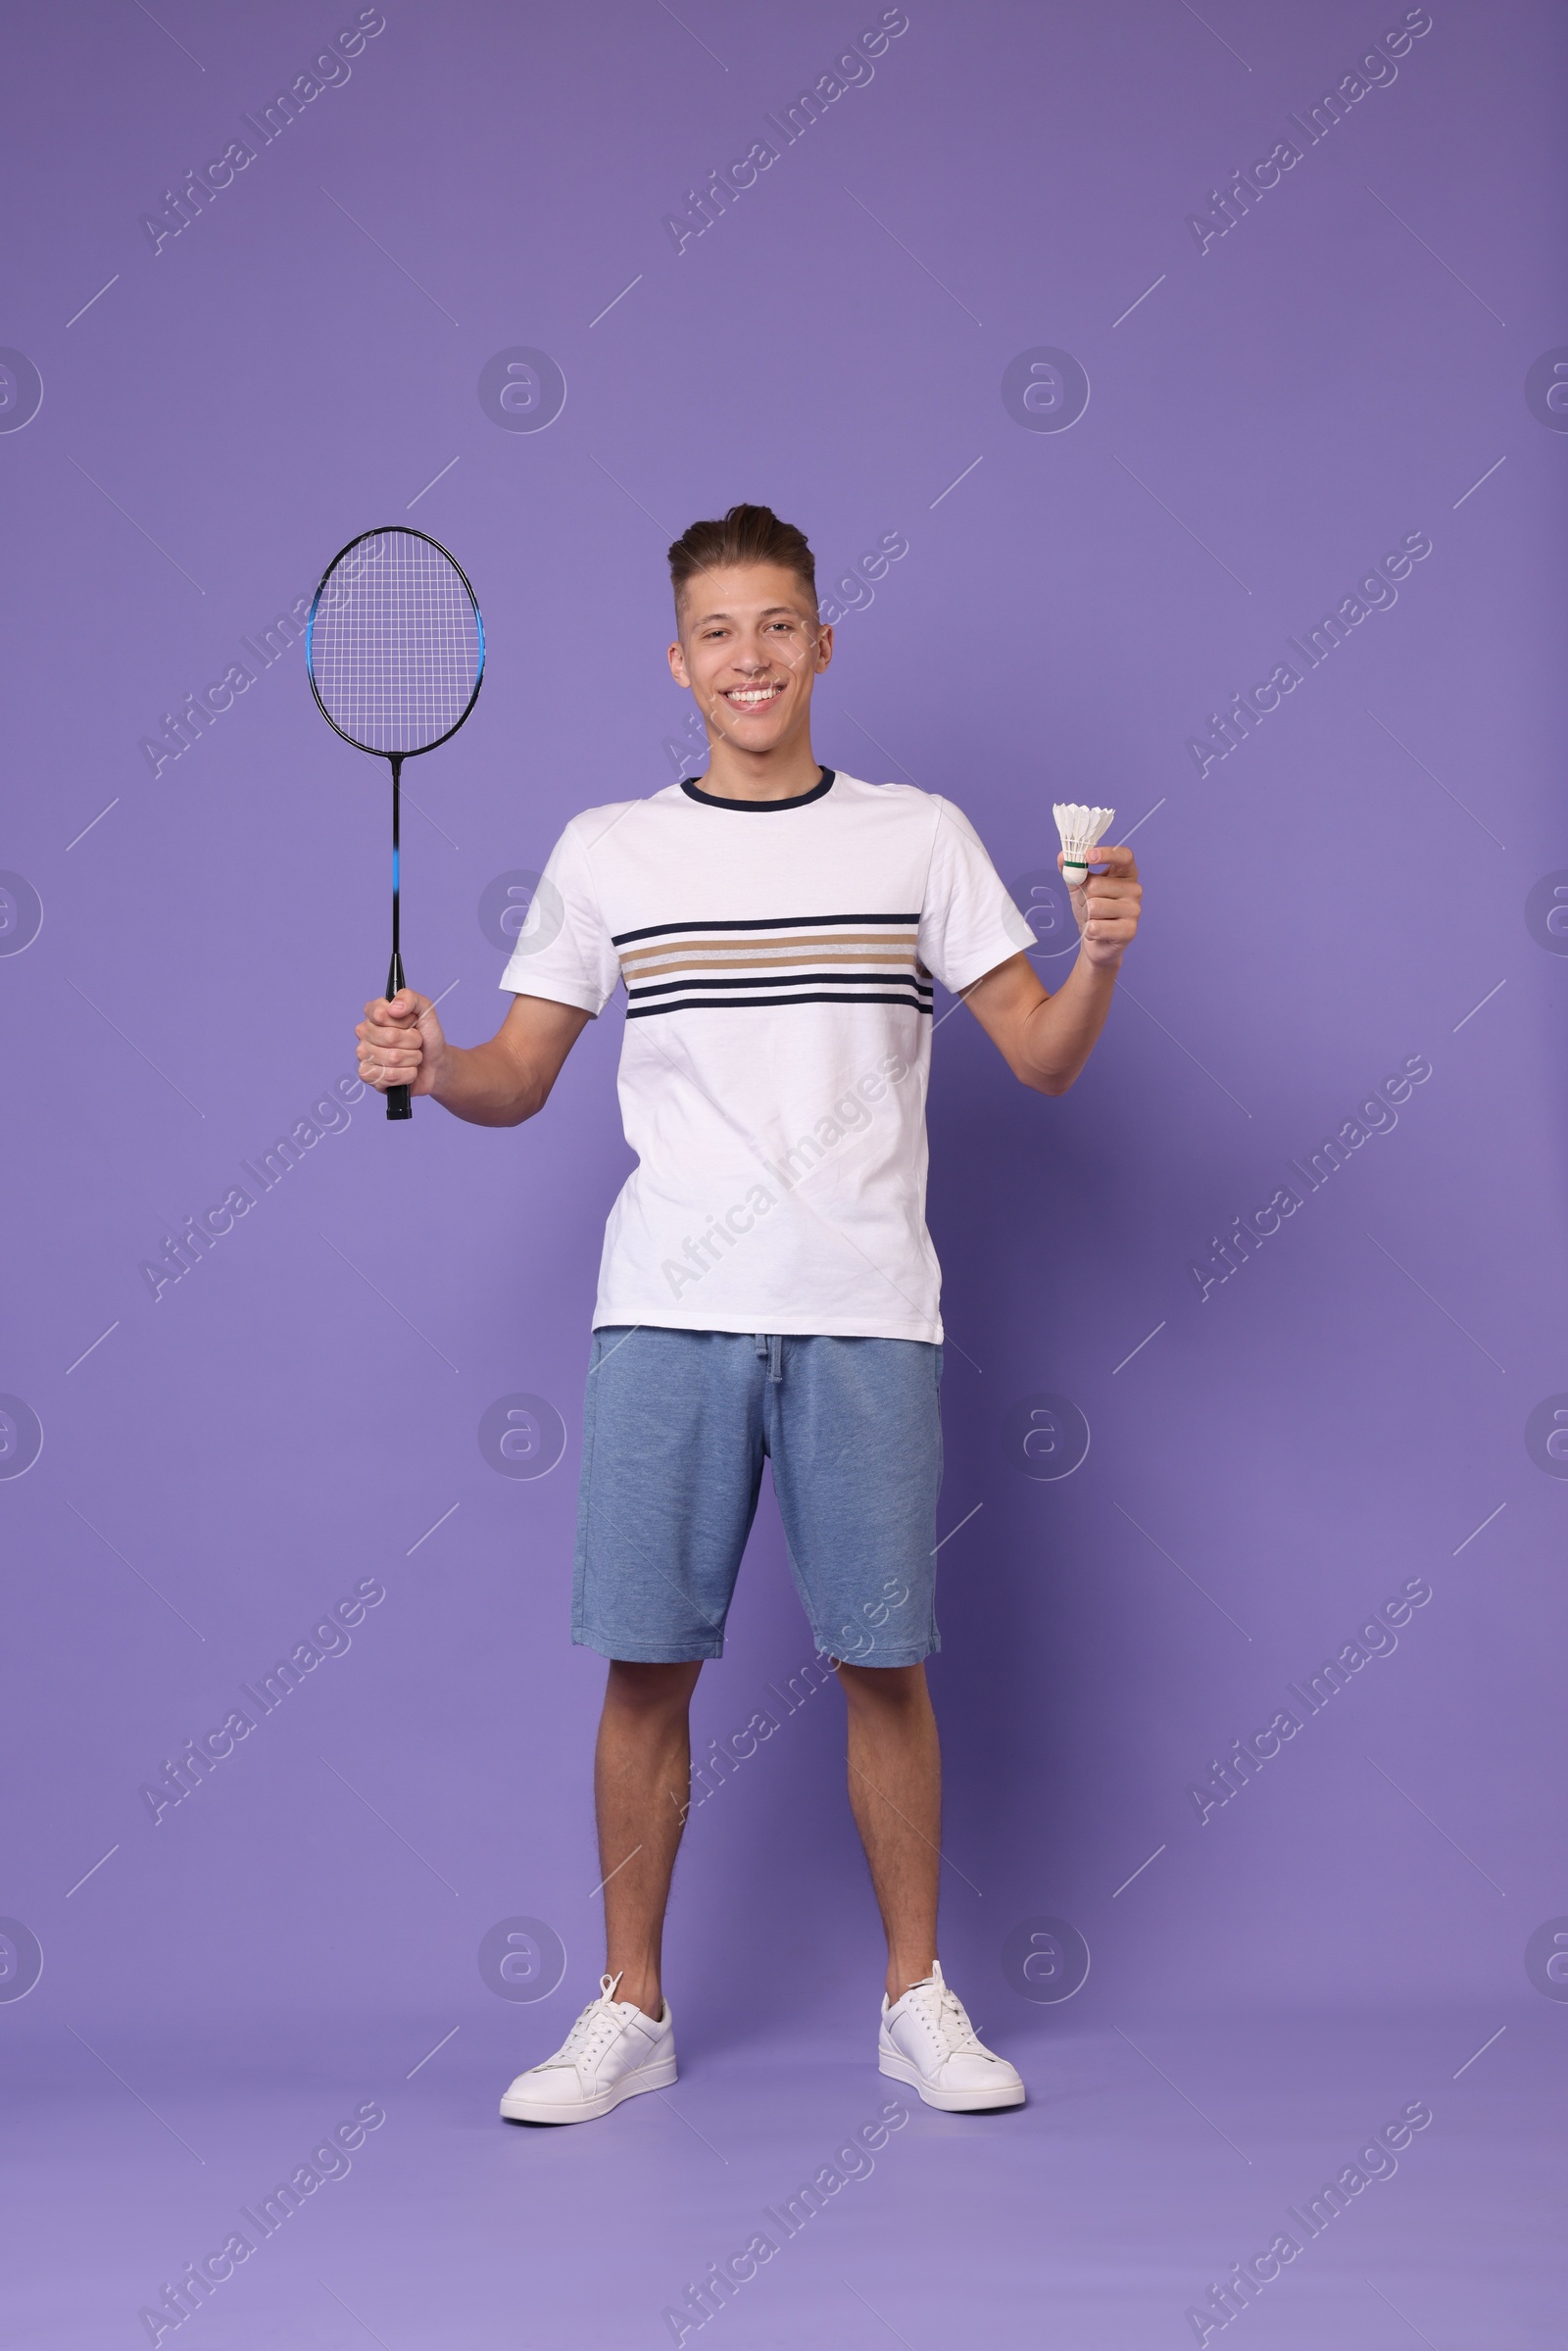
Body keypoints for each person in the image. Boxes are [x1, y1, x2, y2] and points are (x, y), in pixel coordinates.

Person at [354, 504, 1142, 2126]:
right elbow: (520, 1072)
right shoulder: (611, 852)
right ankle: (629, 2009)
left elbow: (1045, 1056)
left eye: (779, 625)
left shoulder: (917, 839)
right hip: (667, 1311)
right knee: (647, 1667)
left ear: (823, 643)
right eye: (719, 632)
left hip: (868, 1311)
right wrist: (436, 1068)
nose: (751, 657)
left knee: (886, 1663)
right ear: (680, 661)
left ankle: (916, 1999)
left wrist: (1105, 954)